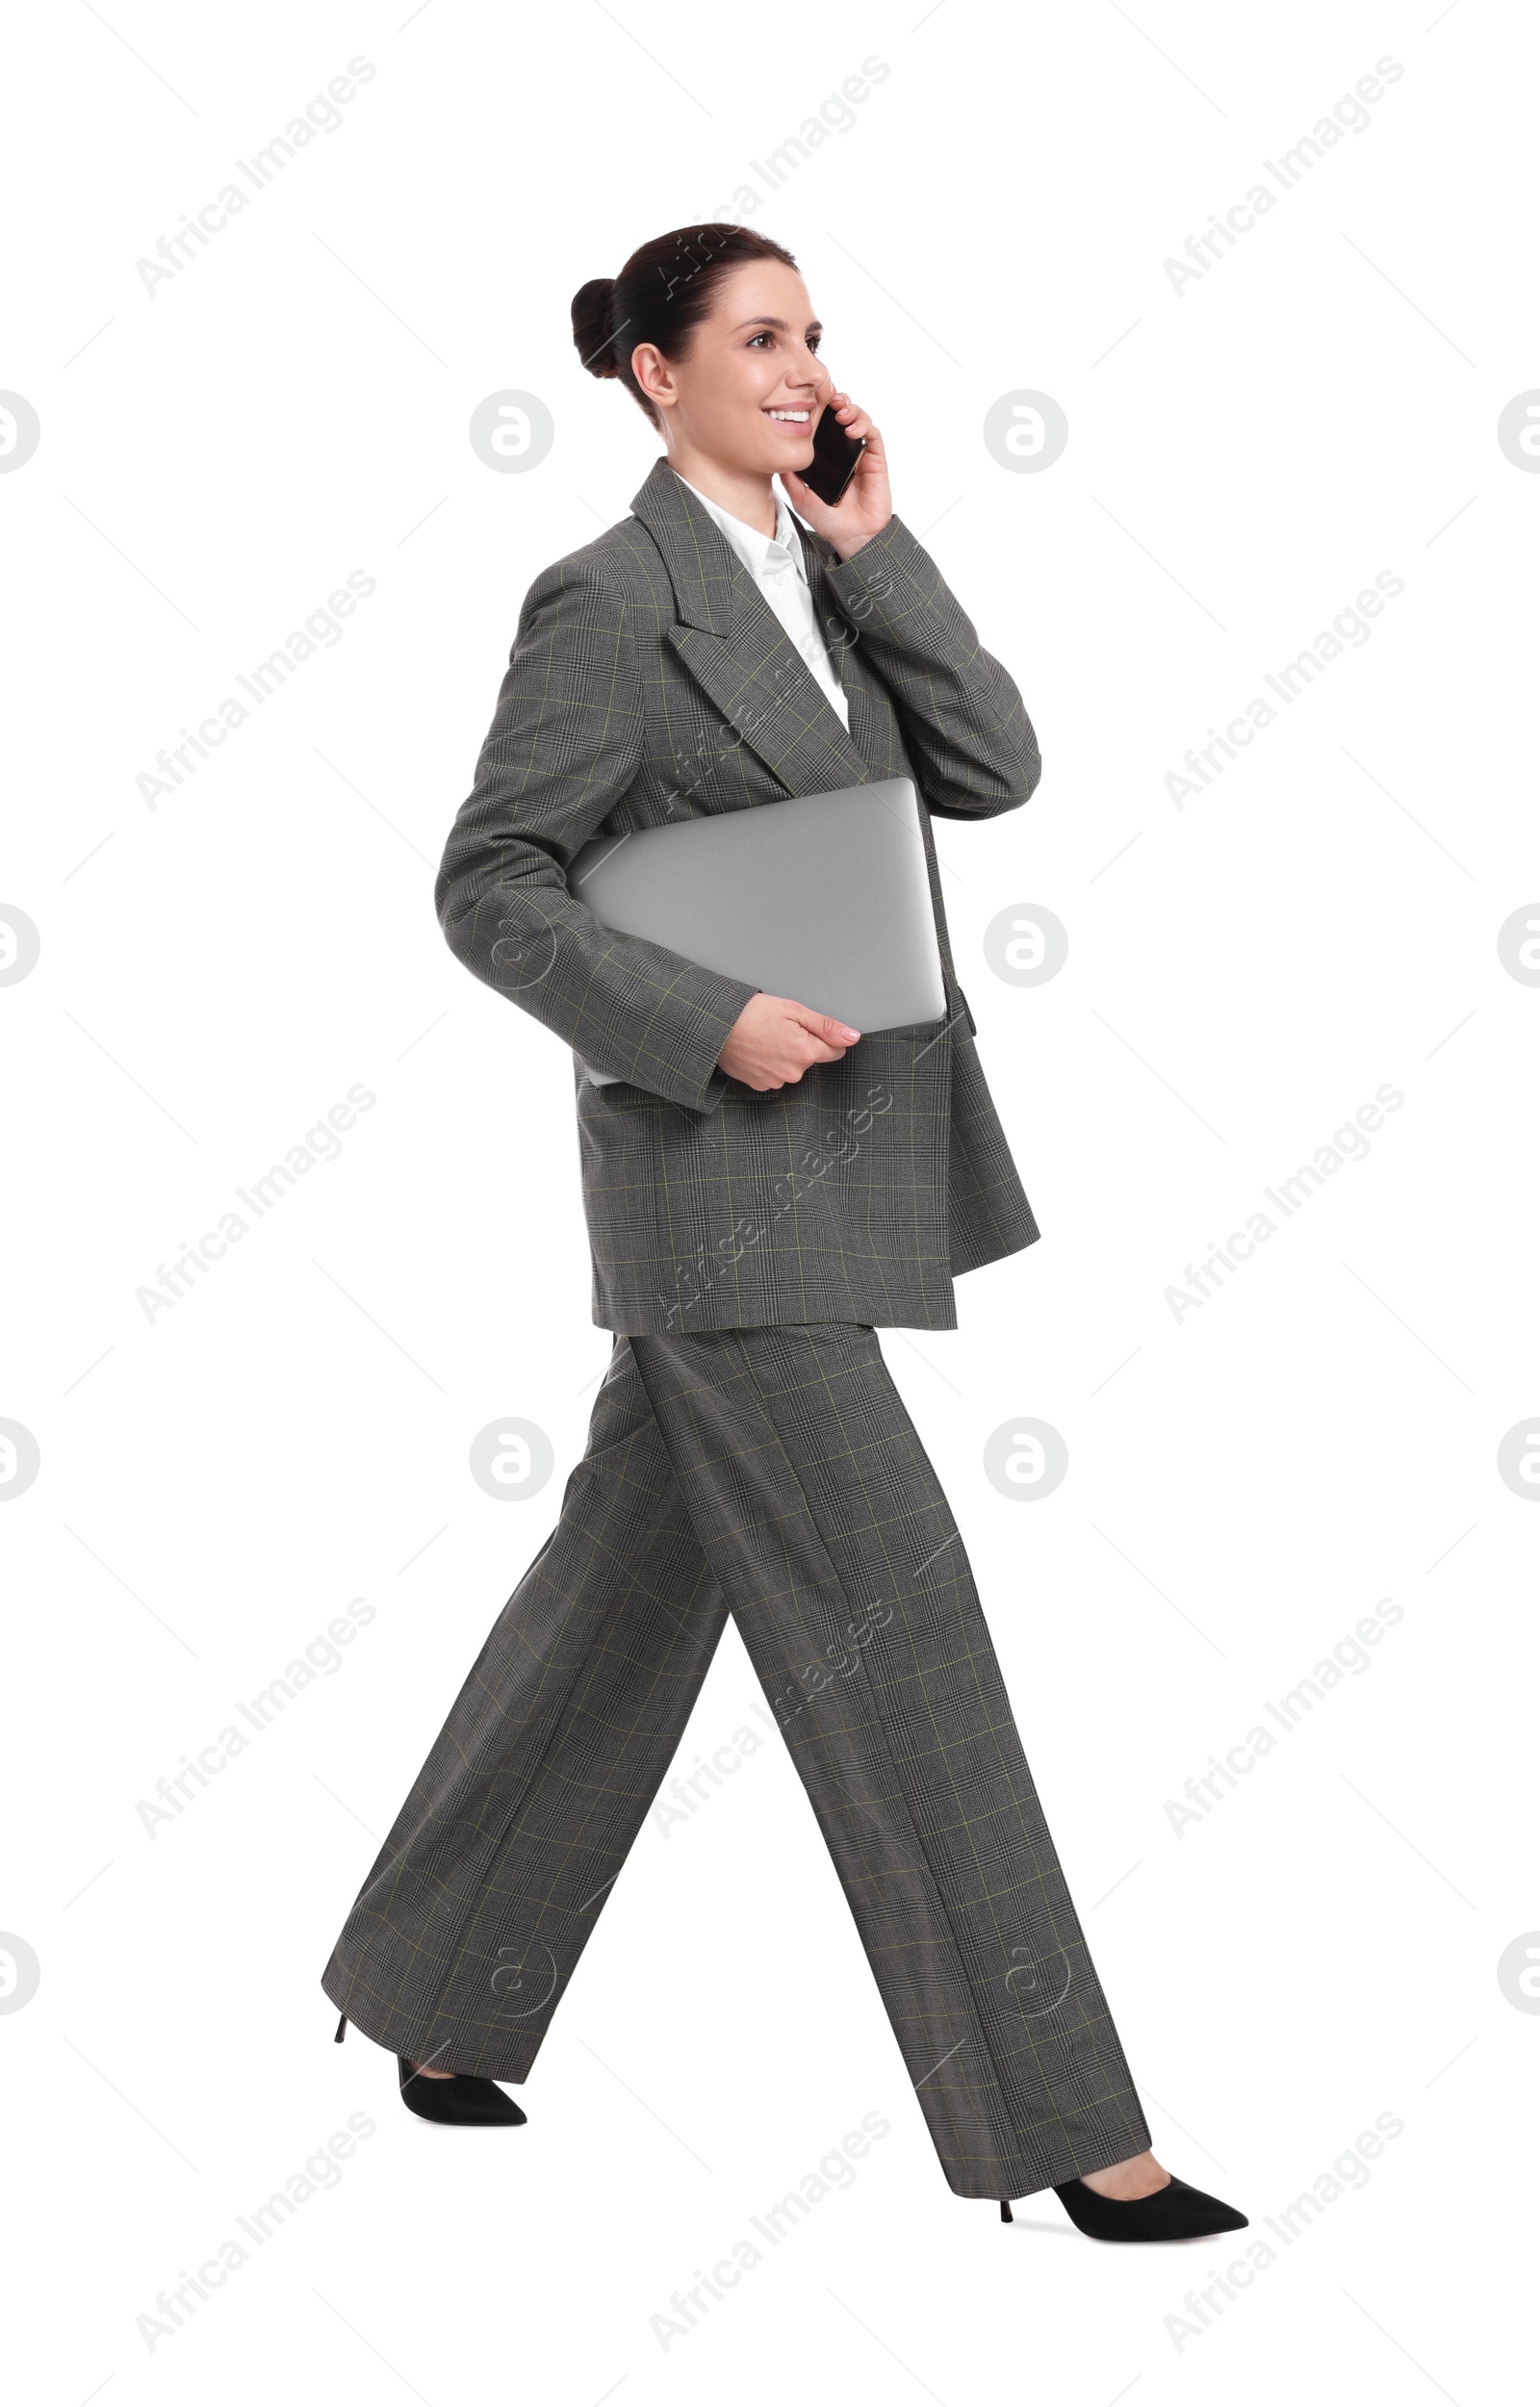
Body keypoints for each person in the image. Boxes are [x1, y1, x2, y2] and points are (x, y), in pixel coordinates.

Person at [321, 221, 1245, 2243]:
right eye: (757, 338)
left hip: (840, 1170)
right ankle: (1074, 2135)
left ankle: (427, 1989)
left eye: (814, 336)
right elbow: (491, 885)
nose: (802, 365)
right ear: (654, 374)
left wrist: (872, 543)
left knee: (619, 1608)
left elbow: (994, 766)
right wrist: (698, 1019)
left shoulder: (816, 585)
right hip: (716, 1189)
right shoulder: (604, 598)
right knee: (903, 1635)